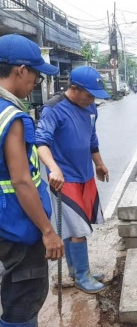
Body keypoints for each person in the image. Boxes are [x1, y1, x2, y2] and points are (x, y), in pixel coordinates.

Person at [0, 34, 64, 327]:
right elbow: (22, 181)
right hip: (19, 226)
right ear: (20, 70)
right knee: (24, 300)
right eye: (36, 75)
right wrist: (48, 231)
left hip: (4, 223)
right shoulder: (12, 116)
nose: (35, 83)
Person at [36, 66, 110, 294]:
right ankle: (82, 276)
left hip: (85, 176)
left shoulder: (91, 109)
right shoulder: (53, 109)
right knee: (78, 229)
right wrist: (53, 167)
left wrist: (99, 163)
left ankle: (75, 270)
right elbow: (41, 143)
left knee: (73, 227)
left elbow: (92, 139)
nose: (92, 99)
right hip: (64, 181)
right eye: (89, 95)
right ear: (74, 89)